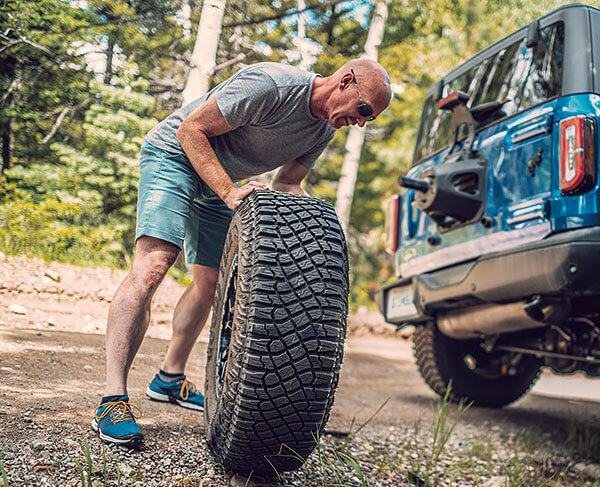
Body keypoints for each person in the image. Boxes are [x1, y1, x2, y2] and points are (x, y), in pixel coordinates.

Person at [92, 58, 392, 446]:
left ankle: (168, 378)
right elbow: (191, 129)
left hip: (222, 178)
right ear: (346, 81)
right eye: (364, 109)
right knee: (153, 266)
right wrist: (229, 191)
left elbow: (287, 184)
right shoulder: (272, 86)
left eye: (370, 118)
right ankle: (112, 399)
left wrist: (306, 233)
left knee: (212, 282)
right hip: (176, 156)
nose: (362, 122)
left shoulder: (322, 131)